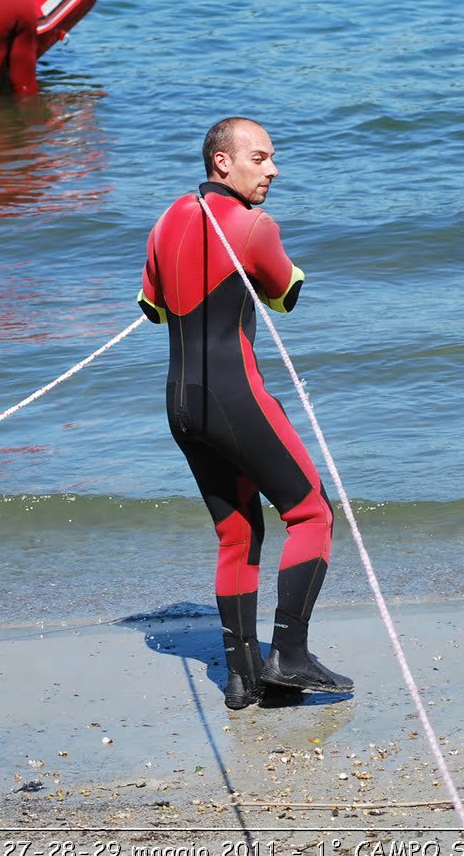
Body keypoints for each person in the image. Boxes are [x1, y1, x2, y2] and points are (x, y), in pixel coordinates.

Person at [138, 118, 352, 710]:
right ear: (223, 163)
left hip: (182, 404)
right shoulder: (255, 225)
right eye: (260, 158)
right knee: (311, 513)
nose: (273, 170)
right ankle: (290, 654)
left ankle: (242, 678)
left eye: (273, 158)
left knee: (237, 534)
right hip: (236, 396)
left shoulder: (164, 220)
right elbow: (286, 293)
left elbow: (152, 309)